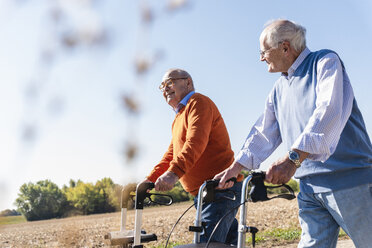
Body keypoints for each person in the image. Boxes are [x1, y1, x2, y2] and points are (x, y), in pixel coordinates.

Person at [214, 19, 372, 248]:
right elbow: (264, 132)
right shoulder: (278, 89)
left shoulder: (325, 61)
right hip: (308, 187)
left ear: (285, 48)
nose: (261, 58)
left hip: (347, 180)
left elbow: (328, 113)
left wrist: (292, 158)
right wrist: (236, 167)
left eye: (263, 51)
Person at [142, 68, 243, 245]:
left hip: (220, 188)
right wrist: (149, 180)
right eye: (162, 86)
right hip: (204, 194)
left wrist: (174, 174)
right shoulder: (178, 118)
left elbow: (196, 142)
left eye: (170, 82)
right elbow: (171, 155)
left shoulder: (198, 102)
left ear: (187, 82)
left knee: (206, 244)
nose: (165, 88)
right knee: (226, 244)